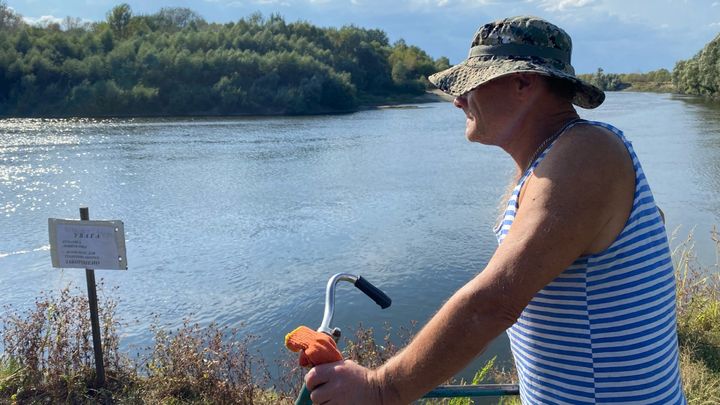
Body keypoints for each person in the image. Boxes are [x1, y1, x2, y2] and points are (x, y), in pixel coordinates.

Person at [303, 16, 687, 404]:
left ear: (523, 82)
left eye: (473, 84)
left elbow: (493, 303)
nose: (458, 99)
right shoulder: (556, 162)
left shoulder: (586, 153)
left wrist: (382, 390)